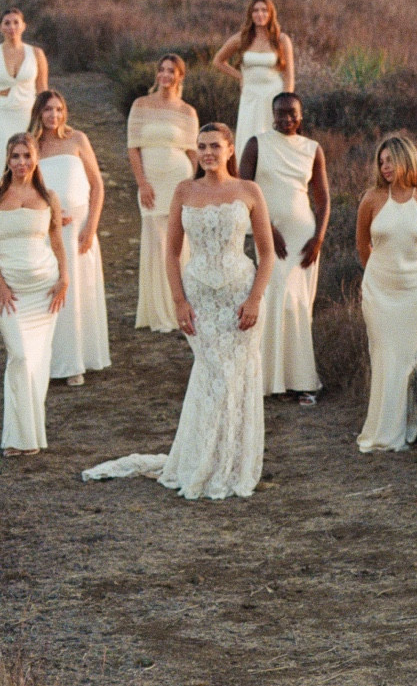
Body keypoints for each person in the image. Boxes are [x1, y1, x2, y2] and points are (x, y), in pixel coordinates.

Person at [83, 123, 274, 500]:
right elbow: (171, 252)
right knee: (211, 375)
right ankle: (200, 460)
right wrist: (179, 301)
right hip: (200, 297)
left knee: (236, 378)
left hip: (239, 296)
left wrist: (254, 299)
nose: (207, 153)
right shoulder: (185, 190)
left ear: (230, 149)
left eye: (215, 146)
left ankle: (232, 464)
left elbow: (266, 254)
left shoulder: (249, 191)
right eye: (201, 146)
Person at [0, 132, 68, 454]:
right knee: (20, 356)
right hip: (9, 291)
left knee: (38, 362)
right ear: (7, 159)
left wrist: (65, 278)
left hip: (44, 289)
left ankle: (27, 439)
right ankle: (16, 438)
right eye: (15, 156)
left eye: (26, 156)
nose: (21, 163)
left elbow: (57, 240)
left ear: (36, 159)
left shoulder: (49, 196)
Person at [356, 135, 417, 452]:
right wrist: (380, 275)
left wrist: (411, 275)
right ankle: (383, 430)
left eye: (390, 160)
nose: (385, 167)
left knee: (412, 360)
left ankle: (410, 428)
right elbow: (362, 244)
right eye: (381, 162)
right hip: (379, 290)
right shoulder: (371, 198)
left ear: (406, 160)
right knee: (383, 355)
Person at [240, 92, 329, 402]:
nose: (286, 118)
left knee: (298, 305)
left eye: (292, 113)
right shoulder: (256, 144)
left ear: (301, 116)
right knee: (272, 299)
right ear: (272, 114)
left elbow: (322, 199)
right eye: (280, 113)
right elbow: (243, 191)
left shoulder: (312, 149)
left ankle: (302, 380)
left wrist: (318, 238)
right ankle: (267, 380)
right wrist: (266, 228)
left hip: (303, 238)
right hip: (270, 237)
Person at [31, 89, 110, 386]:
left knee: (79, 292)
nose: (54, 116)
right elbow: (23, 187)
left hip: (78, 228)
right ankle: (52, 363)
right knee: (50, 291)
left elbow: (97, 186)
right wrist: (47, 214)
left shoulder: (77, 139)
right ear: (38, 113)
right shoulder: (32, 146)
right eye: (48, 110)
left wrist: (91, 225)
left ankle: (78, 360)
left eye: (59, 109)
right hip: (47, 229)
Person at [126, 53, 200, 332]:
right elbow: (133, 146)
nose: (166, 75)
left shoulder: (187, 111)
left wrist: (190, 184)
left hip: (177, 178)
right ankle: (158, 311)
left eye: (172, 71)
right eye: (162, 70)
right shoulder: (141, 104)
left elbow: (193, 152)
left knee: (177, 243)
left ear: (180, 76)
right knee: (156, 241)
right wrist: (142, 182)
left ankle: (181, 307)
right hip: (152, 179)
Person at [212, 0, 296, 153]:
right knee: (249, 138)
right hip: (250, 96)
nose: (260, 14)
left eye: (264, 10)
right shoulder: (242, 39)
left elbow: (289, 75)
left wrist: (286, 104)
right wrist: (240, 77)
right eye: (256, 10)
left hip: (273, 95)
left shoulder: (281, 39)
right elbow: (218, 61)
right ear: (250, 14)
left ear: (271, 13)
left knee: (274, 139)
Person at [0, 9, 48, 179]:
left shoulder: (36, 54)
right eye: (7, 23)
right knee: (5, 158)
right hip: (1, 113)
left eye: (16, 22)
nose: (12, 27)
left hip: (29, 113)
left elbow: (42, 88)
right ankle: (2, 200)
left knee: (30, 157)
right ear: (0, 27)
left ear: (24, 26)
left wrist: (44, 118)